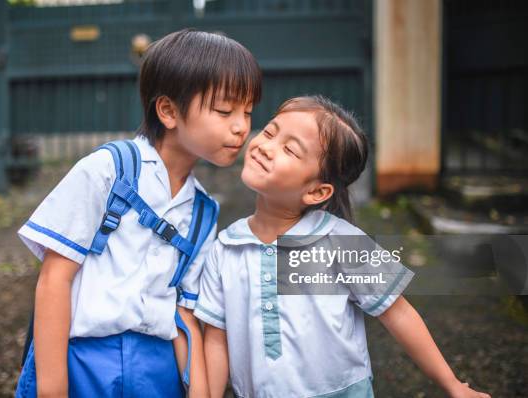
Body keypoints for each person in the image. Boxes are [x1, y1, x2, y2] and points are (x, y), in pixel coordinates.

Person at [15, 29, 261, 398]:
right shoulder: (107, 170)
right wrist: (53, 389)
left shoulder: (202, 211)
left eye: (248, 111)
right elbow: (54, 280)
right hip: (83, 361)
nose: (241, 127)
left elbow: (185, 316)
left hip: (157, 372)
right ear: (168, 111)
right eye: (225, 110)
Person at [195, 95, 491, 398]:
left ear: (317, 191)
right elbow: (217, 338)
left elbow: (398, 313)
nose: (266, 147)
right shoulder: (226, 247)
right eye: (270, 132)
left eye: (289, 149)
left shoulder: (342, 242)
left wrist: (453, 386)